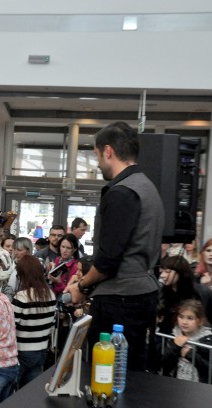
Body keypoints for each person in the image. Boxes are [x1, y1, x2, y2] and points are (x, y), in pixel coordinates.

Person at [65, 121, 165, 372]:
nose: (98, 162)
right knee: (133, 374)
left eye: (97, 155)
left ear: (108, 151)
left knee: (107, 375)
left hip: (121, 301)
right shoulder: (148, 188)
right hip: (142, 294)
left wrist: (81, 285)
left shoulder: (122, 192)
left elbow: (108, 260)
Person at [12, 255, 57, 388]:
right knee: (30, 391)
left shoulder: (21, 297)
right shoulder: (50, 294)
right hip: (41, 350)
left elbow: (11, 326)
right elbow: (52, 325)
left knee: (12, 394)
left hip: (21, 352)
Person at [157, 255, 212, 342]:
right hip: (171, 342)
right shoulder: (162, 293)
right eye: (162, 272)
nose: (162, 275)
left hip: (198, 342)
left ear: (180, 273)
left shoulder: (202, 292)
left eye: (167, 272)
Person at [161, 300, 212, 385]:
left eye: (190, 318)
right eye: (181, 316)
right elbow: (163, 363)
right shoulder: (173, 336)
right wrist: (175, 346)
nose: (184, 322)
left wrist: (191, 355)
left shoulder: (208, 340)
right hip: (176, 386)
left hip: (201, 388)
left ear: (200, 321)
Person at [1, 237, 33, 302]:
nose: (15, 252)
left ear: (28, 251)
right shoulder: (10, 264)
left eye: (19, 250)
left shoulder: (33, 266)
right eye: (14, 249)